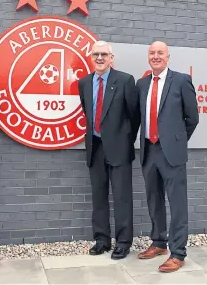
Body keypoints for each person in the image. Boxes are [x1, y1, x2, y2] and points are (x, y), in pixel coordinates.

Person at [136, 41, 199, 272]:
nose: (156, 56)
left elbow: (192, 118)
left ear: (168, 56)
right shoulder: (142, 83)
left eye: (160, 53)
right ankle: (159, 242)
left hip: (171, 153)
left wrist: (176, 141)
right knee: (154, 200)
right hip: (148, 150)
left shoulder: (181, 80)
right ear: (148, 57)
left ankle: (178, 253)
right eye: (152, 53)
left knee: (177, 203)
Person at [77, 41, 140, 260]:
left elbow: (134, 116)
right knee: (99, 197)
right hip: (95, 147)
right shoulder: (84, 83)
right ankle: (102, 240)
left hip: (119, 148)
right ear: (91, 57)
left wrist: (124, 140)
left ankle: (123, 243)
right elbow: (88, 112)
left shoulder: (125, 80)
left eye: (104, 54)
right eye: (96, 54)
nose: (100, 58)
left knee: (122, 197)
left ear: (111, 58)